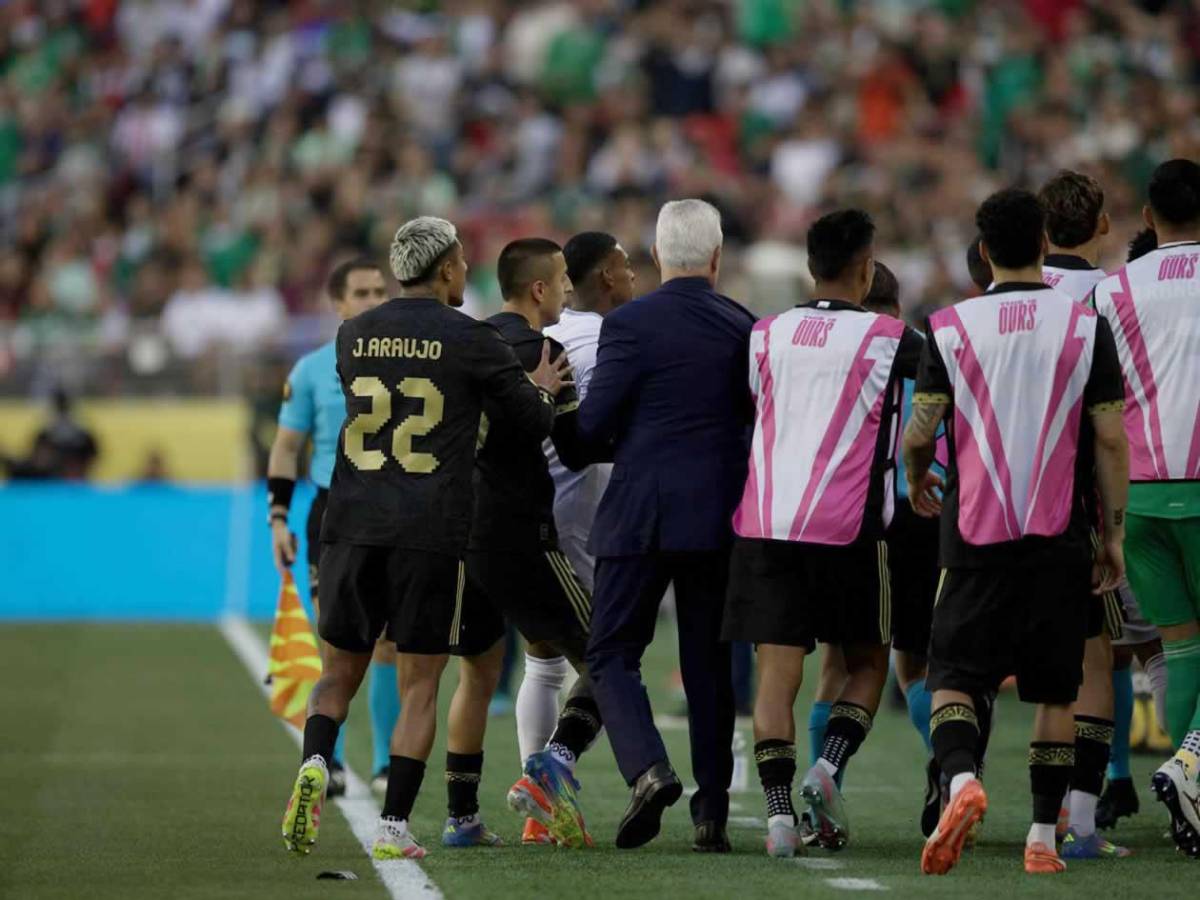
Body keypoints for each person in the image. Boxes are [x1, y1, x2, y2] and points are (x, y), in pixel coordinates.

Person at [279, 217, 571, 860]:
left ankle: (316, 760)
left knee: (337, 674)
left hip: (351, 521)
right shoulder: (471, 337)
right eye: (462, 262)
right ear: (444, 269)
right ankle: (393, 828)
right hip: (429, 528)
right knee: (419, 685)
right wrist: (544, 391)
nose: (467, 272)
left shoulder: (352, 334)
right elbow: (531, 422)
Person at [905, 188, 1128, 876]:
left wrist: (915, 474)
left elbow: (920, 430)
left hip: (974, 533)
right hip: (1060, 534)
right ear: (1043, 245)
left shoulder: (950, 327)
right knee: (1055, 691)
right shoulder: (1085, 326)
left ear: (983, 252)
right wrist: (1113, 534)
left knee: (952, 678)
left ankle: (962, 779)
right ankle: (1041, 839)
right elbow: (1111, 439)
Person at [723, 215, 924, 858]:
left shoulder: (764, 334)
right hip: (849, 529)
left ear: (810, 268)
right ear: (867, 269)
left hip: (768, 524)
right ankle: (827, 766)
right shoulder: (892, 338)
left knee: (776, 680)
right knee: (867, 664)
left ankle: (779, 819)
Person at [579, 199, 755, 852]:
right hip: (718, 515)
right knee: (711, 665)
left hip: (641, 511)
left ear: (656, 255)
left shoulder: (627, 323)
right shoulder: (744, 325)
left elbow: (593, 425)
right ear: (716, 258)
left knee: (610, 652)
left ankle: (648, 769)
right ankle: (711, 815)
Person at [459, 237, 606, 849]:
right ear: (539, 288)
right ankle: (548, 777)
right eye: (563, 278)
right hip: (524, 533)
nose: (570, 288)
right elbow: (572, 447)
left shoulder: (468, 342)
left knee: (482, 675)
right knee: (609, 657)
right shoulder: (547, 351)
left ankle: (461, 816)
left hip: (462, 534)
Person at [507, 232, 635, 846]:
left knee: (543, 658)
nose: (635, 277)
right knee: (611, 656)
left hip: (529, 513)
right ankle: (549, 775)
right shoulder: (611, 340)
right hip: (585, 518)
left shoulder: (541, 339)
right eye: (628, 267)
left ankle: (539, 812)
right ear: (605, 275)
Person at [1090, 159, 1200, 860]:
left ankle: (1190, 804)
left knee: (1180, 646)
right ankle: (1190, 773)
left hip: (1140, 496)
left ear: (1150, 219)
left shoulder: (1112, 290)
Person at [267, 258, 393, 797]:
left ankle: (385, 764)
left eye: (380, 291)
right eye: (361, 293)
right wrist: (277, 517)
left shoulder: (406, 363)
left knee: (388, 644)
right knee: (334, 641)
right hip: (332, 513)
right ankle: (332, 761)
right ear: (338, 303)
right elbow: (285, 449)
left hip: (393, 510)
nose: (373, 301)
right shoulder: (311, 370)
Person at [1037, 170, 1130, 859]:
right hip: (1081, 502)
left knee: (975, 666)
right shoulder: (1111, 298)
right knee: (1099, 660)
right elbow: (1116, 420)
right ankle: (1082, 822)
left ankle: (954, 788)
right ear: (1102, 225)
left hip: (998, 501)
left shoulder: (1002, 289)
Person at [1097, 225, 1168, 832]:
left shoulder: (1114, 304)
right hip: (1178, 486)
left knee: (1118, 649)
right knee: (1163, 646)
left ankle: (1118, 779)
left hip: (1134, 493)